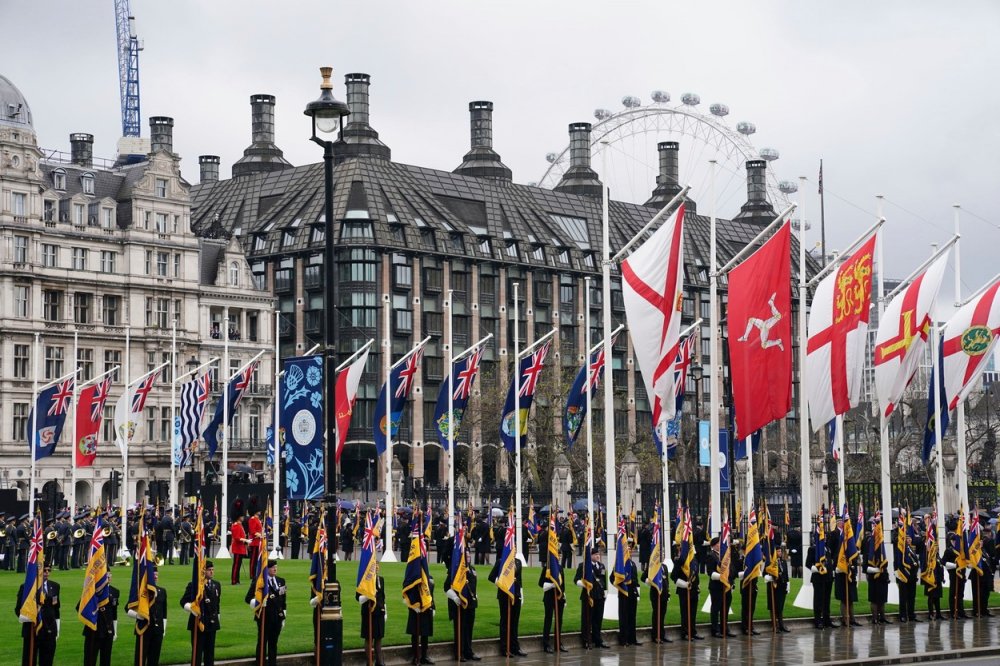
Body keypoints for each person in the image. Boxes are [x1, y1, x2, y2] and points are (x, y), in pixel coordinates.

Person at [17, 563, 60, 666]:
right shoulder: (26, 588)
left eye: (48, 570)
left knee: (47, 660)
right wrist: (30, 618)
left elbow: (56, 609)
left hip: (49, 630)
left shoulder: (55, 586)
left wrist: (57, 628)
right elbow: (18, 609)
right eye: (44, 570)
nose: (46, 573)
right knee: (29, 661)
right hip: (32, 630)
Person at [246, 559, 287, 666]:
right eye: (272, 567)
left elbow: (283, 601)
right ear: (266, 569)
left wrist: (284, 617)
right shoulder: (259, 581)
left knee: (273, 643)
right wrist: (257, 603)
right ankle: (260, 663)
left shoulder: (281, 581)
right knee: (262, 643)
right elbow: (248, 598)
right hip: (264, 617)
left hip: (277, 617)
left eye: (276, 567)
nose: (275, 569)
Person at [181, 560, 222, 666]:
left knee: (210, 653)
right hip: (198, 622)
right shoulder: (194, 586)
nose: (212, 572)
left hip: (211, 623)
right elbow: (183, 602)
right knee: (197, 653)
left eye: (213, 570)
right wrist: (191, 609)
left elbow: (217, 605)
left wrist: (218, 619)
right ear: (203, 571)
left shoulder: (216, 585)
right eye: (209, 570)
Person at [444, 550, 479, 662]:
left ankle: (469, 651)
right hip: (459, 604)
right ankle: (459, 652)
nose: (468, 558)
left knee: (469, 629)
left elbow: (473, 585)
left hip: (471, 604)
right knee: (460, 630)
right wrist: (454, 597)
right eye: (466, 556)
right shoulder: (455, 570)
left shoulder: (472, 569)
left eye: (469, 556)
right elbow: (446, 587)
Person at [129, 565, 166, 666]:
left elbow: (164, 614)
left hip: (157, 630)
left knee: (154, 659)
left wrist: (163, 629)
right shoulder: (142, 592)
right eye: (153, 575)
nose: (155, 577)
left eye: (157, 575)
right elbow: (128, 609)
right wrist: (138, 616)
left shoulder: (162, 591)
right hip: (144, 629)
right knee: (140, 659)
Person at [488, 553, 525, 657]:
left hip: (516, 595)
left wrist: (522, 594)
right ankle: (504, 648)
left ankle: (515, 647)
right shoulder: (501, 561)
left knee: (515, 622)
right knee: (505, 621)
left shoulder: (518, 562)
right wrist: (501, 584)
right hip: (504, 595)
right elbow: (491, 577)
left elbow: (520, 580)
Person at [574, 546, 608, 649]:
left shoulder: (601, 566)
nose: (598, 556)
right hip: (588, 595)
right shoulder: (584, 566)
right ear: (590, 556)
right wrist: (584, 584)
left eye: (598, 554)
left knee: (598, 619)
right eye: (595, 554)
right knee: (587, 619)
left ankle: (597, 640)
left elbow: (603, 581)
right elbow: (576, 580)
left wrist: (605, 592)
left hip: (599, 596)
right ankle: (586, 640)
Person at [357, 559, 387, 666]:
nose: (377, 568)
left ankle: (380, 662)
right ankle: (369, 662)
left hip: (379, 613)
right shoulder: (364, 580)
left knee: (378, 639)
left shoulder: (381, 580)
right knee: (368, 638)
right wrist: (368, 595)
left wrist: (385, 610)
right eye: (375, 566)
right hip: (368, 613)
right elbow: (358, 598)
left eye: (378, 566)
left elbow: (383, 597)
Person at [672, 541, 703, 641]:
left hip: (694, 590)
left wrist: (697, 585)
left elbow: (696, 574)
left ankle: (693, 632)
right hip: (684, 591)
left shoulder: (694, 560)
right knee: (685, 613)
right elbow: (673, 577)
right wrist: (685, 584)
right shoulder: (679, 561)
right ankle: (685, 633)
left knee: (693, 613)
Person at [707, 536, 735, 638]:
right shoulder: (711, 556)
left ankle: (725, 628)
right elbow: (710, 573)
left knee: (725, 608)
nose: (721, 545)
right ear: (714, 545)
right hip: (717, 587)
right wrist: (722, 577)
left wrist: (731, 581)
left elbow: (731, 570)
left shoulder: (726, 556)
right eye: (719, 543)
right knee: (716, 608)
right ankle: (715, 630)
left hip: (726, 586)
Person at [806, 529, 834, 629]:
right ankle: (818, 620)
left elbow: (830, 562)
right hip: (818, 578)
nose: (824, 538)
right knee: (818, 600)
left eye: (825, 536)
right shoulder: (813, 549)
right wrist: (818, 569)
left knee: (827, 600)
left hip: (828, 578)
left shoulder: (827, 548)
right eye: (822, 536)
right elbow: (808, 564)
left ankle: (827, 619)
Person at [406, 573, 435, 665]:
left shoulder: (429, 577)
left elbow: (431, 594)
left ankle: (424, 656)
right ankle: (415, 656)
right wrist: (413, 606)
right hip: (416, 610)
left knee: (425, 633)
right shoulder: (411, 577)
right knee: (415, 634)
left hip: (427, 609)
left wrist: (433, 607)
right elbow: (406, 593)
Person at [539, 558, 567, 653]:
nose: (558, 556)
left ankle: (558, 643)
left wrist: (564, 595)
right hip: (549, 597)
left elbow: (563, 583)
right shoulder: (547, 567)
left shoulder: (559, 567)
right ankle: (546, 644)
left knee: (559, 621)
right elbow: (540, 583)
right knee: (548, 619)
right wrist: (551, 585)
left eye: (559, 555)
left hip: (559, 598)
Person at [643, 554, 670, 643]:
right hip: (656, 594)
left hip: (664, 594)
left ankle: (662, 635)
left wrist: (668, 594)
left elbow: (667, 581)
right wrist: (651, 582)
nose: (662, 556)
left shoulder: (664, 567)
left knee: (662, 615)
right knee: (657, 615)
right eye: (660, 554)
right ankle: (656, 636)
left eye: (663, 555)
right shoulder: (652, 566)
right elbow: (643, 578)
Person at [765, 545, 791, 633]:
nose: (779, 553)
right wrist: (771, 578)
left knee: (780, 607)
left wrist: (788, 585)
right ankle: (774, 626)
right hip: (774, 587)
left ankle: (781, 625)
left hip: (782, 587)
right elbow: (765, 573)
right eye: (777, 551)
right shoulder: (770, 562)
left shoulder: (783, 561)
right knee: (774, 607)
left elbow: (786, 574)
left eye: (780, 551)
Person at [944, 534, 967, 619]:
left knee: (961, 594)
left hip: (961, 574)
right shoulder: (949, 551)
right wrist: (954, 566)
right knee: (953, 593)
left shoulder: (962, 551)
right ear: (951, 541)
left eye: (957, 541)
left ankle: (961, 611)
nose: (955, 542)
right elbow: (943, 562)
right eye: (953, 541)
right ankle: (953, 612)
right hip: (954, 574)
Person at [230, 515, 248, 585]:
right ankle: (234, 580)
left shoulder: (240, 525)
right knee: (236, 565)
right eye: (242, 516)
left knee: (238, 565)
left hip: (240, 548)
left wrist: (245, 540)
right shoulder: (236, 525)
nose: (243, 517)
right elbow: (237, 537)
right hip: (237, 548)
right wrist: (245, 540)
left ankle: (237, 580)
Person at [247, 511, 264, 576]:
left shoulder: (257, 519)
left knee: (257, 559)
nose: (259, 511)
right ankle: (252, 574)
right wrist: (260, 535)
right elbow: (252, 531)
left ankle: (256, 573)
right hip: (254, 542)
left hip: (258, 542)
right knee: (253, 560)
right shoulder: (252, 519)